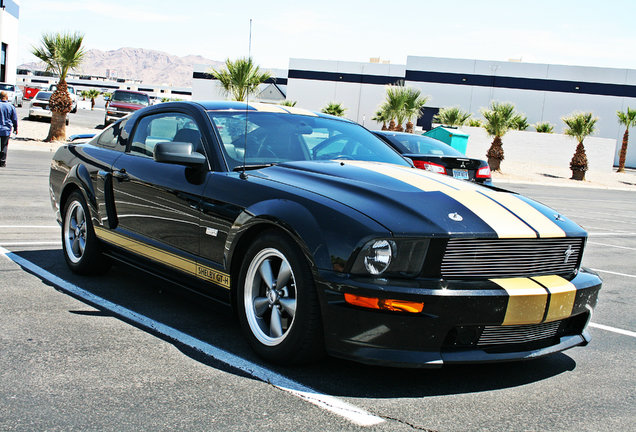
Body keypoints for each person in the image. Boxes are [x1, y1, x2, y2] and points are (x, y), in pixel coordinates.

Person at [0, 90, 18, 167]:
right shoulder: (11, 106)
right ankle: (2, 161)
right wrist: (15, 128)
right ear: (7, 97)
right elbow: (14, 119)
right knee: (4, 145)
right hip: (6, 129)